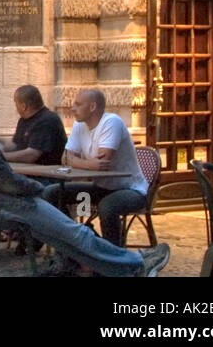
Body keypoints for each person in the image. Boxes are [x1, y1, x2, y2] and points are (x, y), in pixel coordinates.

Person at [0, 91, 169, 276]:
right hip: (5, 206)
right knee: (74, 232)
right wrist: (36, 189)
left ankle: (118, 267)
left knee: (63, 234)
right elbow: (10, 183)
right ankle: (137, 262)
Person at [42, 88, 149, 247]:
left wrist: (77, 161)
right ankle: (81, 240)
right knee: (52, 193)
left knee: (107, 206)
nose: (72, 108)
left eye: (78, 104)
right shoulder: (80, 125)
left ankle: (114, 257)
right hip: (100, 188)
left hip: (130, 189)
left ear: (92, 107)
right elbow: (65, 158)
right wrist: (88, 163)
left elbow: (101, 165)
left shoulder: (112, 122)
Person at [1, 85, 67, 166]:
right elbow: (15, 145)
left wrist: (0, 156)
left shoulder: (48, 120)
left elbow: (31, 155)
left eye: (16, 103)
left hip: (46, 175)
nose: (15, 107)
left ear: (23, 106)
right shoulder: (24, 120)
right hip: (27, 171)